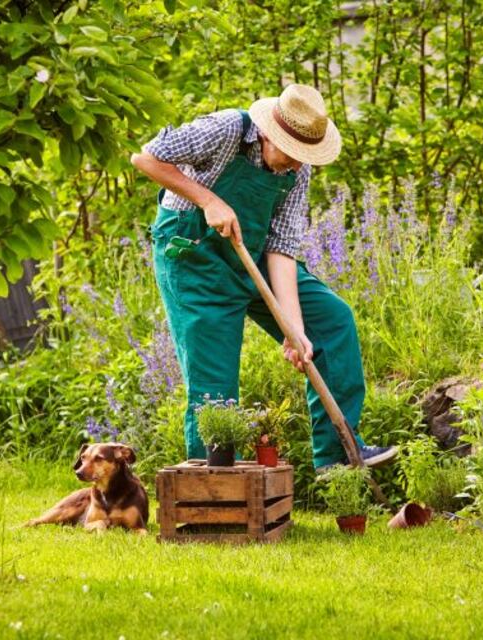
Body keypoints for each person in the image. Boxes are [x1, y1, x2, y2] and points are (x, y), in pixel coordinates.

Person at [130, 83, 396, 472]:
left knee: (331, 322)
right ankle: (215, 487)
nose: (297, 166)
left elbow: (282, 248)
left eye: (304, 157)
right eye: (292, 154)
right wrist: (208, 200)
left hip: (252, 254)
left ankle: (338, 457)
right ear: (270, 134)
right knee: (215, 385)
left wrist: (294, 329)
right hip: (195, 258)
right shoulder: (225, 130)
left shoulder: (297, 170)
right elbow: (146, 157)